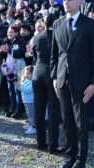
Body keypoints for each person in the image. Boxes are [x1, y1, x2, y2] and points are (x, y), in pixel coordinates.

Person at [51, 0, 94, 168]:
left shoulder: (91, 25)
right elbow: (55, 55)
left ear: (80, 2)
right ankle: (70, 154)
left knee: (81, 122)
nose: (66, 2)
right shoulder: (57, 24)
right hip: (62, 80)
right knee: (66, 120)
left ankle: (81, 158)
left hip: (82, 81)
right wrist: (54, 77)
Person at [31, 17, 62, 153]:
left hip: (37, 74)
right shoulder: (58, 36)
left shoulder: (37, 37)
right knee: (53, 110)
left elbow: (34, 55)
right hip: (51, 74)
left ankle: (40, 142)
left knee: (39, 109)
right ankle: (53, 145)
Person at [20, 65, 36, 135]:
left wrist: (21, 87)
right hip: (26, 101)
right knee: (29, 114)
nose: (26, 75)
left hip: (31, 101)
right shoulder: (26, 80)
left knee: (31, 114)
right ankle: (30, 124)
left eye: (28, 73)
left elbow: (28, 90)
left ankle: (33, 127)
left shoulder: (33, 82)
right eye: (26, 73)